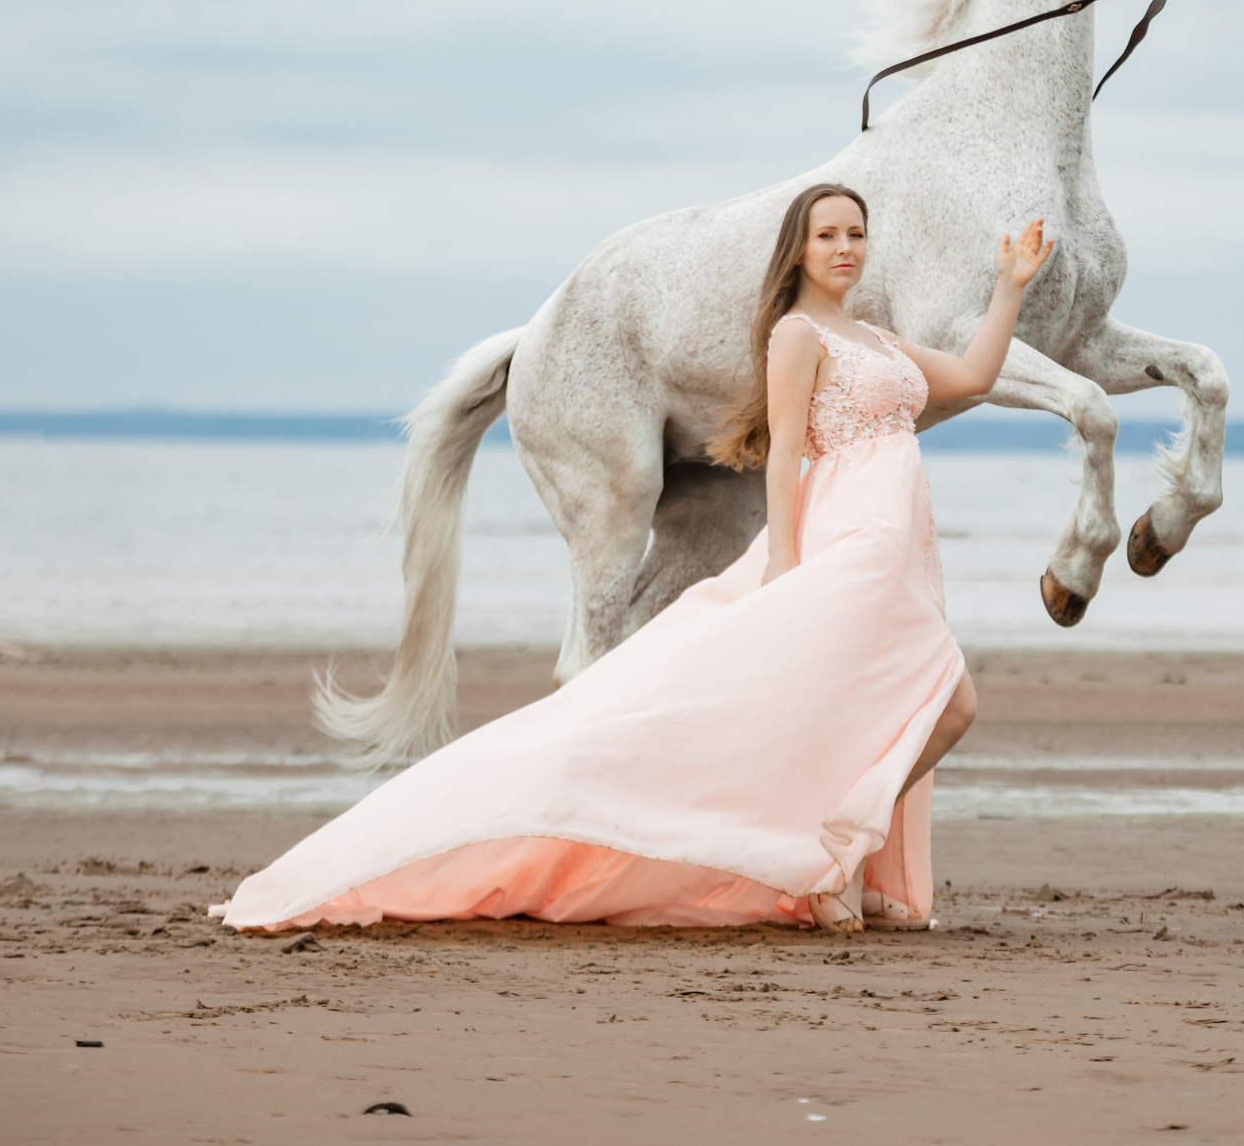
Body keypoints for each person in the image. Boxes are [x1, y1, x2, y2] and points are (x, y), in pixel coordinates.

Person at [212, 182, 1052, 934]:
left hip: (902, 546)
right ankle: (830, 856)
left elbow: (975, 376)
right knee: (950, 700)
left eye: (857, 235)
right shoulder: (796, 336)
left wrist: (1009, 286)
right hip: (850, 543)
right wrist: (786, 561)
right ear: (798, 248)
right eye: (829, 234)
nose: (845, 248)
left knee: (912, 707)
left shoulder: (875, 336)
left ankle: (829, 853)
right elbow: (788, 448)